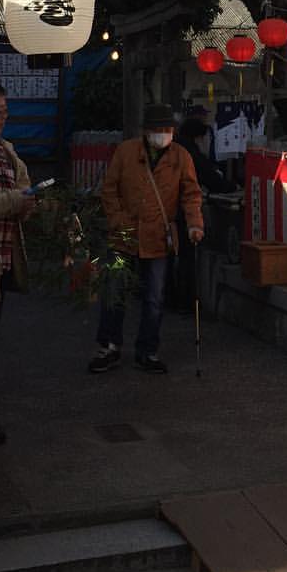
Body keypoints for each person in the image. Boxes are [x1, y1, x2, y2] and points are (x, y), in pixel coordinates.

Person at [89, 103, 204, 374]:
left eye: (168, 130)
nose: (163, 134)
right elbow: (109, 190)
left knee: (155, 297)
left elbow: (191, 194)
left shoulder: (181, 157)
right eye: (158, 130)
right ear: (146, 131)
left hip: (158, 237)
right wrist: (118, 220)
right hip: (123, 236)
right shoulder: (126, 152)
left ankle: (148, 350)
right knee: (115, 291)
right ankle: (109, 346)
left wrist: (195, 225)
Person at [0, 81, 37, 444]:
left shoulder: (7, 152)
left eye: (5, 112)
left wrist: (30, 202)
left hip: (2, 262)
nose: (3, 119)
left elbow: (24, 195)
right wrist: (20, 199)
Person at [169, 117, 236, 313]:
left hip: (166, 210)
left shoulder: (176, 148)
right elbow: (207, 175)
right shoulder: (188, 151)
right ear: (199, 137)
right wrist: (231, 186)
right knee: (185, 257)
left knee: (168, 257)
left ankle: (169, 299)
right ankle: (185, 301)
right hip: (180, 212)